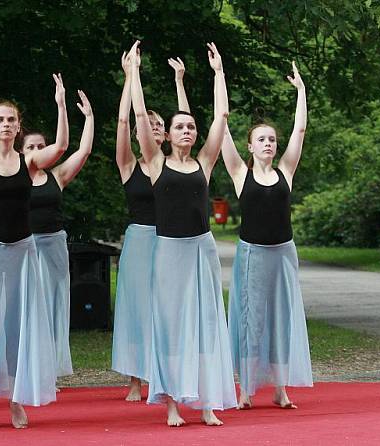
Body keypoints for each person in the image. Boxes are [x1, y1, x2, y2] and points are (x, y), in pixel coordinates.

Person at [129, 40, 236, 426]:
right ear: (168, 135)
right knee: (171, 325)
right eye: (181, 126)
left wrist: (218, 73)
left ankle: (206, 402)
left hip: (201, 250)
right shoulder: (156, 162)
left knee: (206, 323)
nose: (188, 130)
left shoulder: (205, 162)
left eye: (191, 126)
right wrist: (134, 75)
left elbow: (222, 116)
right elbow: (141, 118)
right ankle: (173, 402)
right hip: (168, 252)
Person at [0, 72, 67, 429]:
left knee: (19, 330)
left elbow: (62, 147)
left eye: (11, 120)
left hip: (24, 254)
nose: (6, 124)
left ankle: (17, 401)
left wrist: (61, 105)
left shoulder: (28, 162)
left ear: (18, 127)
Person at [0, 88, 94, 381]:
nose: (38, 151)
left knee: (42, 308)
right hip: (5, 246)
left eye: (42, 146)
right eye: (33, 147)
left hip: (44, 246)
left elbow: (74, 149)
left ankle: (39, 371)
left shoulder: (52, 174)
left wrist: (74, 112)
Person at [220, 61, 312, 411]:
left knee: (281, 317)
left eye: (272, 139)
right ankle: (246, 388)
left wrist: (301, 91)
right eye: (262, 139)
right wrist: (220, 77)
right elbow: (222, 129)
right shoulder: (241, 173)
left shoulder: (286, 170)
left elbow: (300, 131)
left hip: (283, 254)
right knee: (251, 319)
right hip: (253, 255)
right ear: (250, 146)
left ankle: (280, 388)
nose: (269, 143)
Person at [112, 50, 191, 402]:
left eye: (161, 126)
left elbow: (185, 120)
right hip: (140, 241)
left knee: (166, 307)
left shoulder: (170, 165)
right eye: (153, 124)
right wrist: (131, 76)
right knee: (136, 308)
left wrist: (179, 83)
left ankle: (168, 372)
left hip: (169, 241)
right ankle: (134, 379)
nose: (157, 128)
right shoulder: (129, 164)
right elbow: (125, 122)